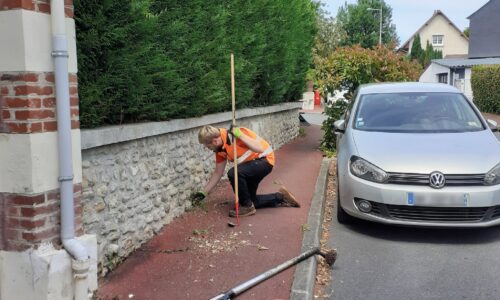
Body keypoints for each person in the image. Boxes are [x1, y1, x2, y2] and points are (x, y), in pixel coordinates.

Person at [195, 125, 300, 217]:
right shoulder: (220, 150)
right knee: (251, 200)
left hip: (264, 161)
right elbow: (218, 173)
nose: (207, 148)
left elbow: (260, 148)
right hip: (251, 167)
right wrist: (204, 192)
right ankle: (281, 197)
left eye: (207, 145)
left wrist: (240, 135)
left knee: (233, 173)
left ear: (215, 141)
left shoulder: (239, 132)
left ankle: (246, 207)